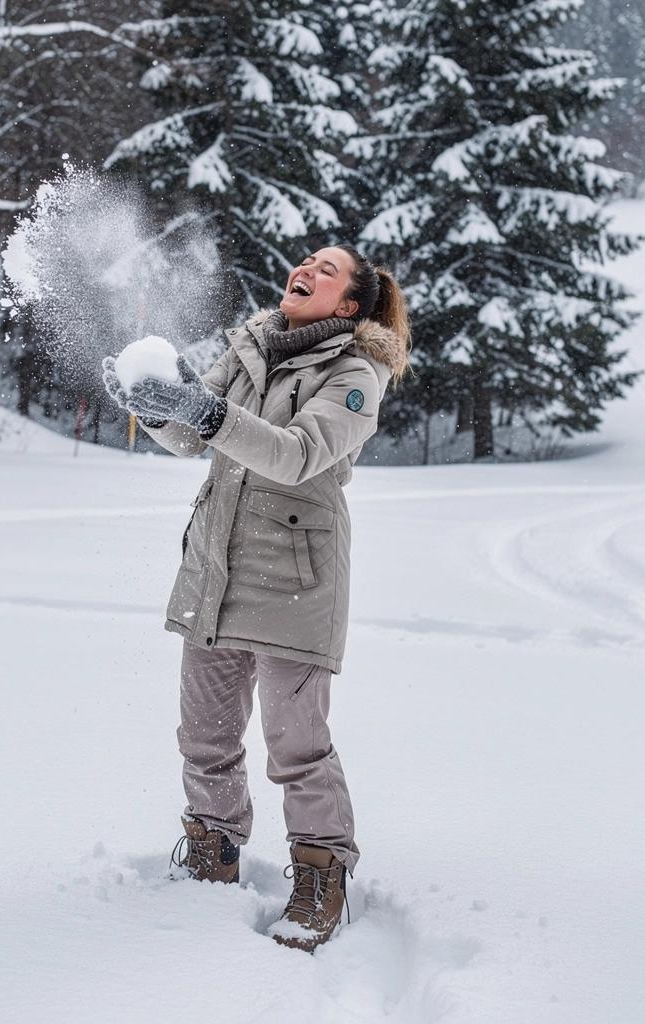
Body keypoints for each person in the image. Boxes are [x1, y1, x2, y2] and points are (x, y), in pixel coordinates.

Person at [101, 245, 410, 952]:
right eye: (307, 260)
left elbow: (297, 455)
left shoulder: (356, 372)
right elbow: (188, 436)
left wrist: (205, 412)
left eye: (328, 269)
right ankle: (213, 847)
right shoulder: (249, 346)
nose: (307, 267)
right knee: (205, 738)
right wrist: (150, 403)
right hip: (217, 568)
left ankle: (321, 873)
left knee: (296, 746)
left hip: (295, 579)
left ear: (349, 306)